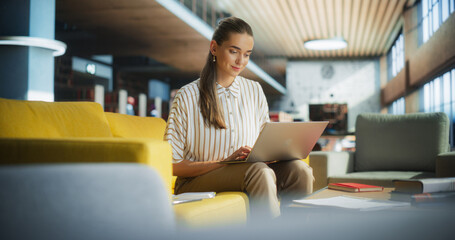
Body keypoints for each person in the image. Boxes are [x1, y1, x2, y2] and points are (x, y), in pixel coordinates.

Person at [164, 17, 314, 219]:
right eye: (234, 51)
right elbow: (171, 164)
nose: (240, 61)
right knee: (258, 172)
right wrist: (224, 162)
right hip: (196, 180)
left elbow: (264, 140)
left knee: (300, 171)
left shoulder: (254, 90)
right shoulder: (187, 96)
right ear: (214, 48)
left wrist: (278, 151)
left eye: (247, 54)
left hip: (252, 169)